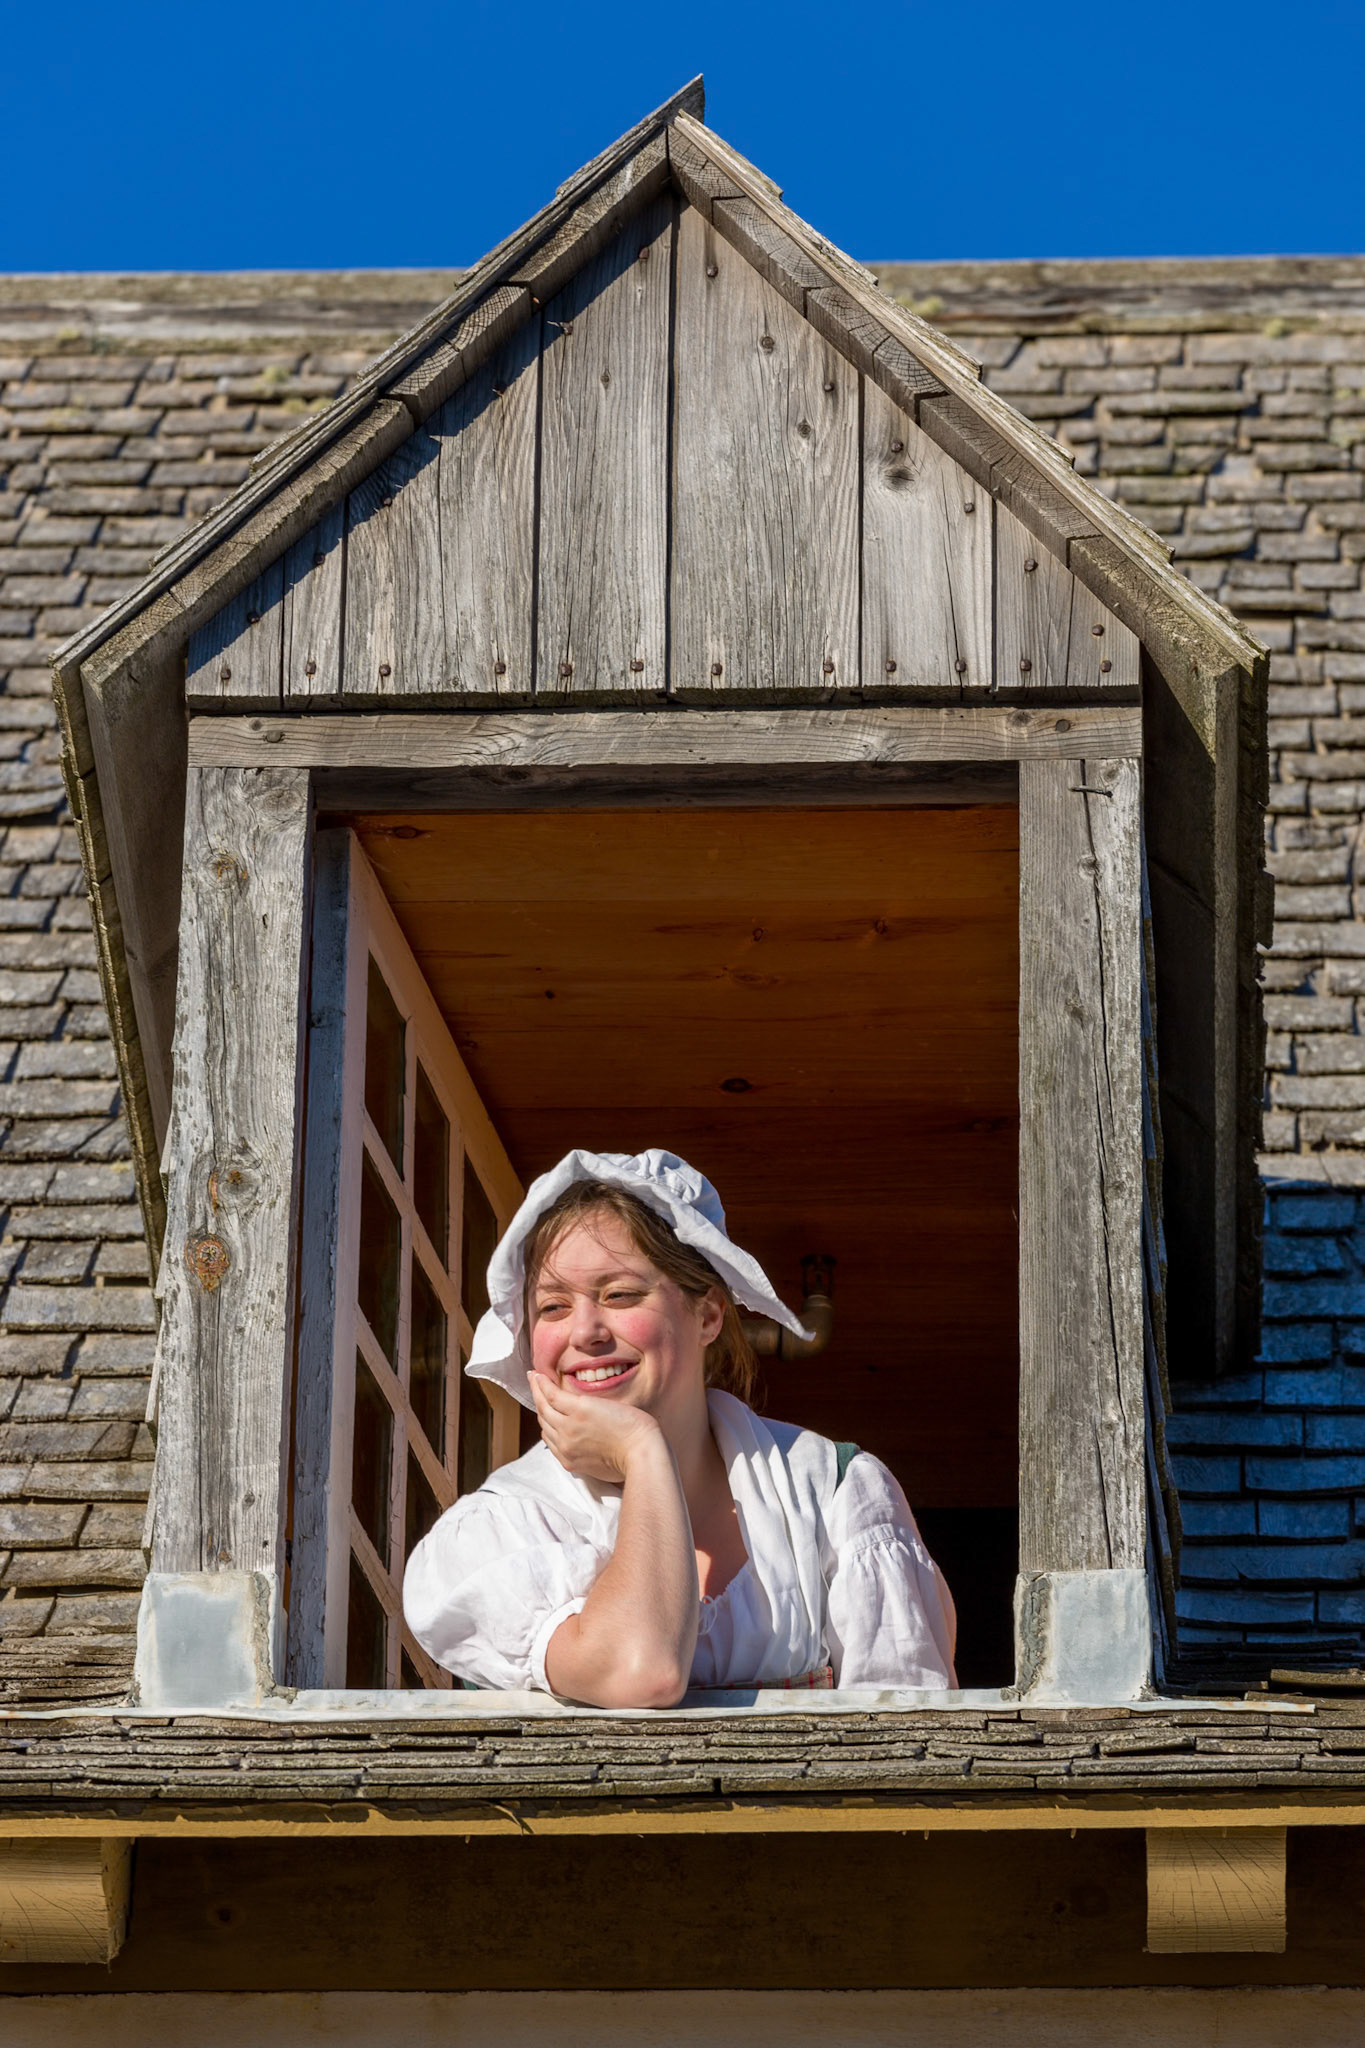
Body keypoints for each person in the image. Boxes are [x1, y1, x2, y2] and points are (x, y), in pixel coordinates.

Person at [403, 1149, 956, 1704]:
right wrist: (643, 1452)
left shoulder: (832, 1493)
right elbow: (642, 1671)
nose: (585, 1331)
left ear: (709, 1314)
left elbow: (905, 1735)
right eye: (552, 1307)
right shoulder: (501, 1527)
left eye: (619, 1295)